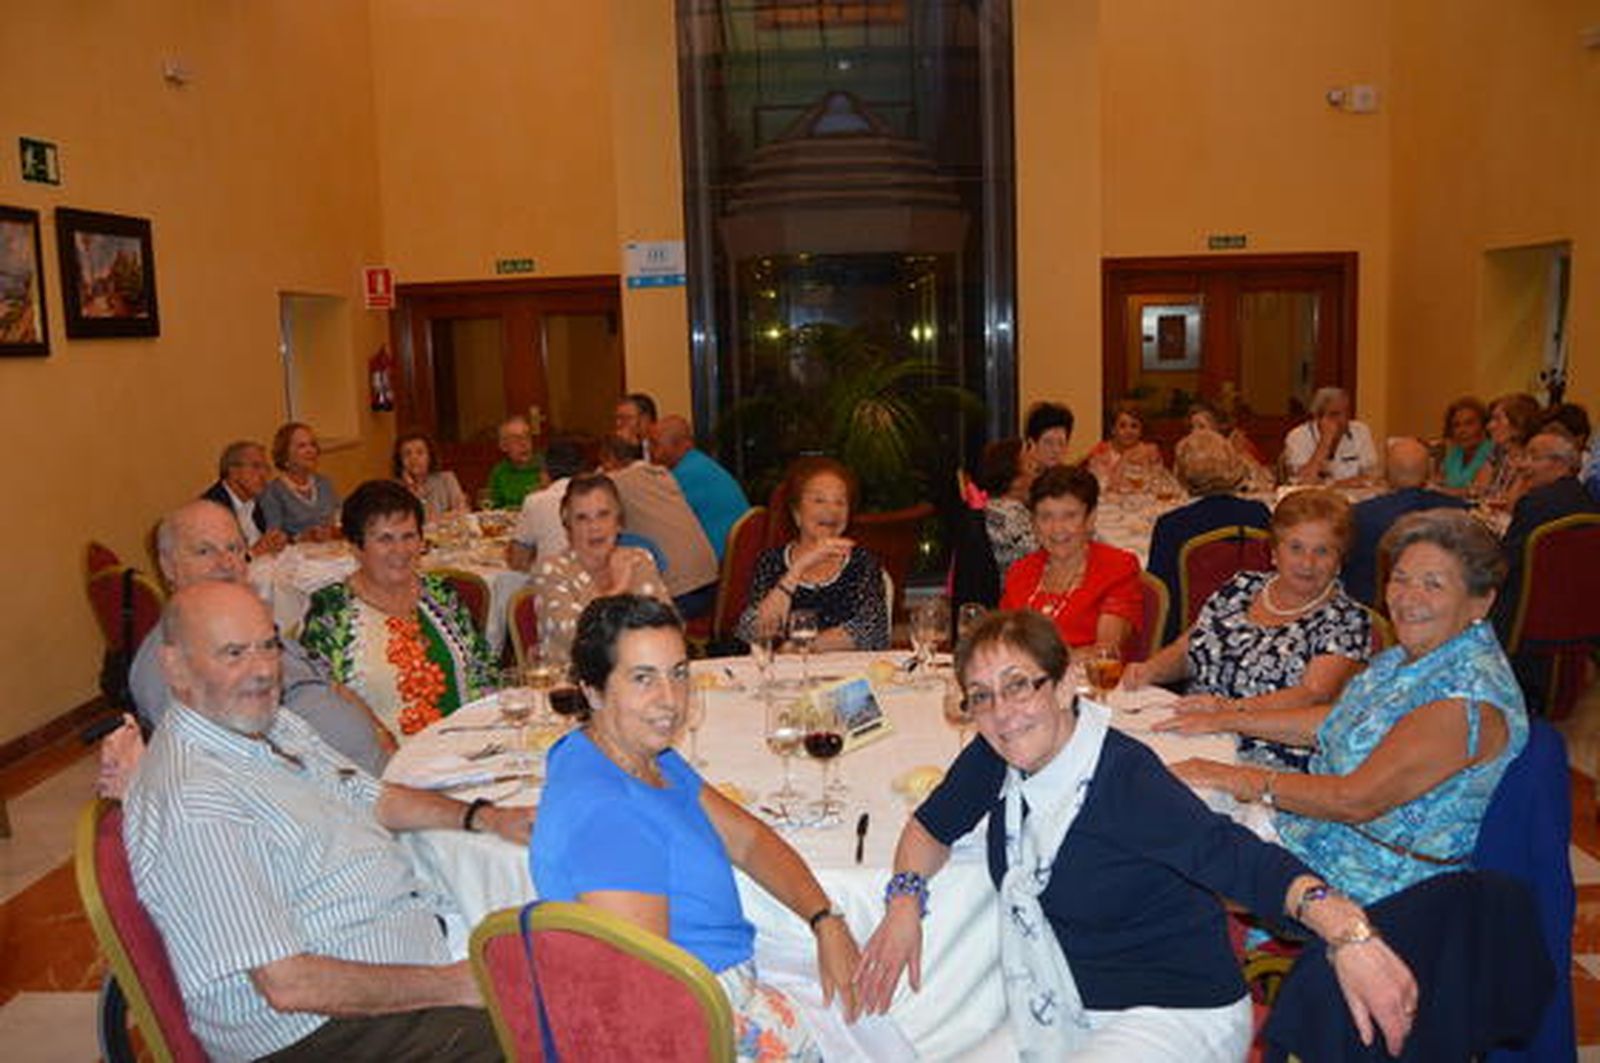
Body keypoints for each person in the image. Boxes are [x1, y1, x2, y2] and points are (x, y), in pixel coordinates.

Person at [853, 610, 1417, 1060]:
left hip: (1173, 1013)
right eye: (981, 696)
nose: (1002, 712)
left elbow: (1240, 859)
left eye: (1018, 686)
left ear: (1067, 683)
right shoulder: (998, 753)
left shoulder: (1123, 778)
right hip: (1062, 1003)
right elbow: (930, 826)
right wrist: (905, 899)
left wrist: (1347, 931)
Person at [125, 581, 531, 1063]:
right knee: (554, 1029)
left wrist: (482, 817)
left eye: (268, 646)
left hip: (404, 958)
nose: (261, 670)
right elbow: (287, 985)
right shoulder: (194, 800)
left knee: (559, 946)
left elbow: (373, 798)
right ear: (175, 668)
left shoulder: (269, 724)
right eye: (233, 653)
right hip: (323, 1033)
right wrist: (454, 985)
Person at [532, 595, 870, 1060]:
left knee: (865, 992)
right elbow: (647, 1005)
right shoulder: (610, 817)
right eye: (642, 678)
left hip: (720, 978)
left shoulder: (637, 757)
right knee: (884, 1011)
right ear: (592, 691)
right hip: (707, 1014)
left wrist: (824, 919)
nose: (670, 700)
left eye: (678, 673)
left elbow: (749, 841)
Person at [1169, 509, 1529, 908]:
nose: (1409, 598)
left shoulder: (1464, 701)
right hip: (1316, 832)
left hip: (1370, 879)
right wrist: (1227, 716)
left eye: (1433, 585)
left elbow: (1354, 800)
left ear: (1481, 601)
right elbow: (1340, 720)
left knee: (1161, 857)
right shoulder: (1411, 656)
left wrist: (1236, 777)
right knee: (1162, 809)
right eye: (1401, 579)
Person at [121, 501, 390, 779]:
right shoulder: (171, 660)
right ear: (168, 567)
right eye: (204, 551)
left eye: (234, 549)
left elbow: (332, 686)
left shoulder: (252, 625)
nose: (226, 564)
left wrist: (380, 735)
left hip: (375, 771)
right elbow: (226, 771)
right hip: (332, 799)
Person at [1127, 488, 1370, 770]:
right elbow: (1190, 648)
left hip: (1267, 758)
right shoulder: (1241, 586)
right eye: (1296, 548)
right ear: (1274, 552)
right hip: (1196, 732)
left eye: (1323, 551)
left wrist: (1227, 710)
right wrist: (1149, 670)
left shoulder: (1345, 619)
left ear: (1340, 561)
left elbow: (1312, 694)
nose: (1307, 563)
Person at [301, 481, 493, 738]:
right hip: (380, 766)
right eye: (385, 539)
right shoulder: (331, 613)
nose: (400, 551)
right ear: (356, 547)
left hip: (464, 753)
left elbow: (485, 673)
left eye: (409, 536)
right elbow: (320, 705)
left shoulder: (442, 595)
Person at [737, 457, 889, 652]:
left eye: (840, 502)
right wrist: (797, 570)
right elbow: (751, 632)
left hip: (847, 677)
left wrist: (803, 645)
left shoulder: (862, 562)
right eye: (819, 500)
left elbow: (873, 632)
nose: (831, 510)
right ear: (797, 512)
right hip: (787, 679)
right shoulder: (770, 562)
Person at [998, 464, 1141, 654]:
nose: (1057, 529)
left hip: (1090, 682)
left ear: (1090, 518)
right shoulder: (1020, 571)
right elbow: (1002, 642)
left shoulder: (1117, 568)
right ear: (1033, 522)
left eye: (1070, 516)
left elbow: (1105, 652)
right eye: (1046, 517)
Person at [529, 473, 670, 666]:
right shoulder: (551, 570)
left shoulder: (638, 559)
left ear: (619, 522)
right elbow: (586, 643)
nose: (594, 527)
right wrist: (618, 588)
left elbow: (668, 628)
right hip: (572, 688)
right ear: (568, 526)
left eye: (603, 515)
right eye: (582, 518)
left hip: (638, 680)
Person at [1146, 429, 1272, 643]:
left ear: (1181, 472)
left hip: (1186, 636)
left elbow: (1158, 593)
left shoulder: (1172, 525)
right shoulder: (1258, 513)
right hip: (1254, 627)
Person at [1491, 431, 1600, 654]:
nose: (1522, 465)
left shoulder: (1535, 503)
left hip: (1527, 617)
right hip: (1579, 615)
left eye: (1533, 457)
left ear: (1559, 463)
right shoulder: (1587, 501)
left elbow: (1505, 564)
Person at [600, 435, 720, 617]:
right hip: (711, 584)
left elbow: (587, 489)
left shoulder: (614, 483)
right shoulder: (664, 475)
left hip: (679, 594)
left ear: (610, 459)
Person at [1342, 437, 1469, 607]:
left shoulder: (1360, 514)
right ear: (1430, 472)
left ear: (1385, 473)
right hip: (1443, 607)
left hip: (1377, 609)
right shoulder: (1459, 512)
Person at [651, 414, 751, 561]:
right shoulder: (700, 462)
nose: (652, 454)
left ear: (678, 444)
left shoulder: (683, 475)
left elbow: (657, 520)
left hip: (721, 561)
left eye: (655, 445)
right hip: (739, 555)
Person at [507, 434, 587, 571]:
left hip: (553, 585)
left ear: (545, 470)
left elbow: (517, 561)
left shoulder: (535, 501)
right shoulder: (599, 496)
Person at [201, 440, 287, 555]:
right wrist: (253, 553)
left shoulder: (254, 501)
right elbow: (216, 561)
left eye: (266, 468)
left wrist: (275, 541)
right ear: (233, 472)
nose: (264, 474)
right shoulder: (212, 508)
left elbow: (261, 540)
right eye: (256, 466)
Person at [258, 422, 341, 541]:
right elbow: (273, 538)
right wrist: (301, 538)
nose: (310, 450)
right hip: (295, 557)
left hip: (332, 552)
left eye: (312, 445)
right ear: (285, 453)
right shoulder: (273, 492)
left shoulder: (324, 483)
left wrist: (333, 532)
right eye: (302, 446)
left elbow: (340, 521)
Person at [1282, 387, 1380, 485]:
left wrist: (1334, 484)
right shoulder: (1297, 436)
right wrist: (1325, 442)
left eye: (1346, 412)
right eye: (1335, 414)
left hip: (1354, 495)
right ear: (1318, 417)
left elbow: (1372, 476)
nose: (1343, 419)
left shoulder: (1361, 431)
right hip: (1314, 497)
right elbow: (1303, 481)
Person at [975, 437, 1037, 572]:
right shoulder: (1008, 515)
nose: (1035, 475)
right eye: (1030, 466)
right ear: (1015, 482)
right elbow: (1049, 556)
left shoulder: (990, 509)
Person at [1472, 392, 1542, 507]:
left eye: (1497, 419)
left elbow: (1511, 505)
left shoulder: (1532, 460)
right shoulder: (1497, 452)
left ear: (1519, 425)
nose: (1489, 426)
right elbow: (1477, 490)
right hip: (1486, 517)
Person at [1084, 401, 1163, 490]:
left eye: (1134, 426)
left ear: (1141, 430)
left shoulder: (1148, 451)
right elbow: (1105, 486)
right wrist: (1125, 458)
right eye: (1122, 426)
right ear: (1113, 430)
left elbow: (1158, 482)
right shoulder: (1102, 451)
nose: (1128, 431)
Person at [392, 430, 466, 523]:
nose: (413, 458)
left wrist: (436, 518)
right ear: (400, 460)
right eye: (407, 454)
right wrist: (411, 488)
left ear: (430, 456)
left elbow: (463, 512)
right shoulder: (396, 489)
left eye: (420, 453)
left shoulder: (447, 479)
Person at [486, 415, 544, 509]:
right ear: (503, 446)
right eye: (516, 439)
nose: (524, 443)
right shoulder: (499, 472)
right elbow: (493, 507)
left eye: (527, 437)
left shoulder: (545, 468)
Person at [1436, 396, 1494, 492]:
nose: (1462, 431)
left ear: (1484, 426)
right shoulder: (1454, 453)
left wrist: (1442, 491)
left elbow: (1476, 492)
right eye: (1456, 425)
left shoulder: (1493, 452)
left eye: (1469, 423)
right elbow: (1438, 482)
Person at [1022, 401, 1074, 475]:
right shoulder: (1021, 483)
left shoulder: (1071, 482)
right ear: (1032, 444)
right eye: (1048, 443)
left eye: (1061, 443)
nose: (1056, 450)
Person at [614, 391, 659, 456]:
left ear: (645, 419)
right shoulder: (615, 447)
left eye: (626, 418)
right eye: (618, 418)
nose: (618, 423)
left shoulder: (661, 446)